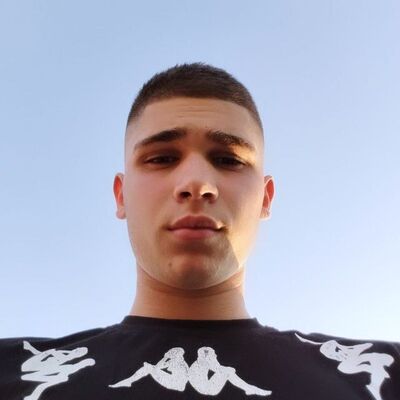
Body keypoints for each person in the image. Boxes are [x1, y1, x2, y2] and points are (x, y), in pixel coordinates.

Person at [0, 63, 398, 400]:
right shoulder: (14, 370)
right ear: (122, 196)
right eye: (162, 158)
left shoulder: (383, 375)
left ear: (265, 199)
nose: (196, 183)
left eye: (228, 159)